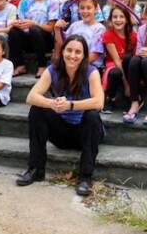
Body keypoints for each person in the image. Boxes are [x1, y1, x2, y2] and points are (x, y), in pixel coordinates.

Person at [18, 35, 104, 197]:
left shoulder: (91, 72)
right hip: (62, 133)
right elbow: (31, 97)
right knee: (37, 109)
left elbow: (99, 102)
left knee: (92, 115)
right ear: (62, 51)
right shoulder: (53, 70)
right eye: (69, 50)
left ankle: (85, 177)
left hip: (85, 133)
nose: (72, 55)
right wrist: (53, 104)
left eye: (78, 52)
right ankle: (36, 169)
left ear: (84, 56)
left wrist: (70, 105)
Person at [14, 0, 62, 77]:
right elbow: (20, 21)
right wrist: (18, 24)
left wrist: (34, 23)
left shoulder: (53, 2)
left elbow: (50, 28)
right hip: (28, 38)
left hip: (45, 39)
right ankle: (20, 65)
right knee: (13, 31)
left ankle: (42, 65)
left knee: (34, 29)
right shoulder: (24, 2)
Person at [102, 5, 137, 113]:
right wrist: (127, 85)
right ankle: (110, 99)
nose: (118, 20)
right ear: (111, 20)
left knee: (129, 60)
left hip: (127, 65)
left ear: (127, 20)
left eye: (121, 17)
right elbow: (117, 60)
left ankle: (133, 98)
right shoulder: (108, 35)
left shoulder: (133, 35)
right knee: (115, 73)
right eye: (115, 17)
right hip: (113, 64)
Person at [61, 0, 106, 71]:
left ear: (96, 9)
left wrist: (76, 65)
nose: (85, 11)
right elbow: (63, 44)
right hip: (73, 63)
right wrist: (57, 30)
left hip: (91, 66)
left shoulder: (99, 28)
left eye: (89, 8)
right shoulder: (74, 25)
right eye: (82, 8)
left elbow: (95, 54)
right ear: (78, 10)